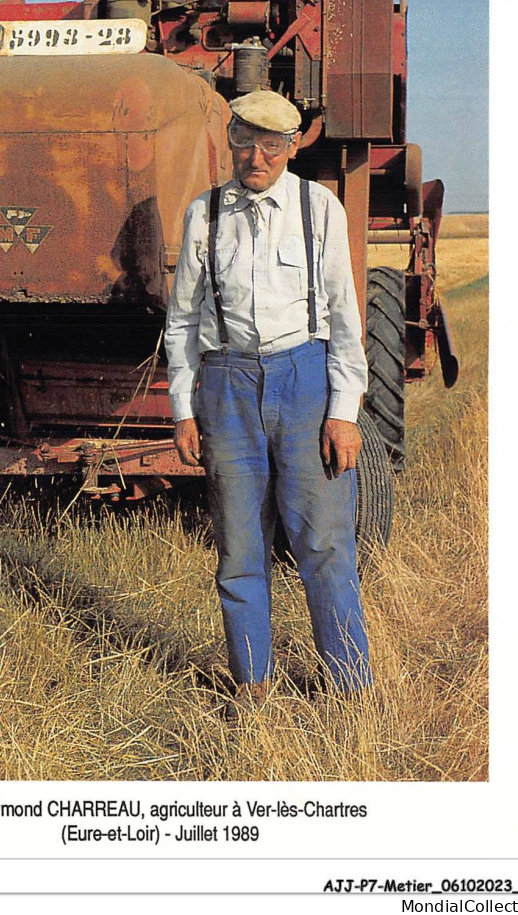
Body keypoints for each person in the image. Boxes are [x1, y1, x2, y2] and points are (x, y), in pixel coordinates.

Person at [164, 89, 372, 715]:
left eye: (272, 145)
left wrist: (344, 411)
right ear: (229, 139)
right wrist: (182, 407)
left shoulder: (320, 207)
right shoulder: (204, 214)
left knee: (324, 541)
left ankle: (350, 687)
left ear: (291, 147)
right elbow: (181, 320)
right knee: (238, 543)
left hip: (305, 381)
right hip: (226, 386)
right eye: (245, 141)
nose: (257, 156)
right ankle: (252, 686)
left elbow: (343, 317)